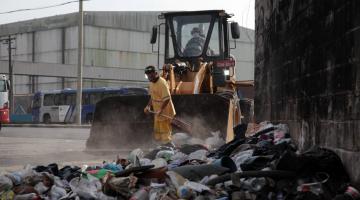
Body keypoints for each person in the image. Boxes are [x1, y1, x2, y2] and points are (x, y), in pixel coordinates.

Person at [144, 65, 176, 144]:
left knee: (165, 134)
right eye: (147, 76)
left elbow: (167, 98)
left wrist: (161, 110)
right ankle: (160, 146)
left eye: (150, 75)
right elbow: (153, 96)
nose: (149, 77)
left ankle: (168, 146)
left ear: (155, 73)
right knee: (158, 132)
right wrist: (148, 106)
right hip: (158, 113)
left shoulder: (162, 83)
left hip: (165, 112)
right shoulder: (151, 83)